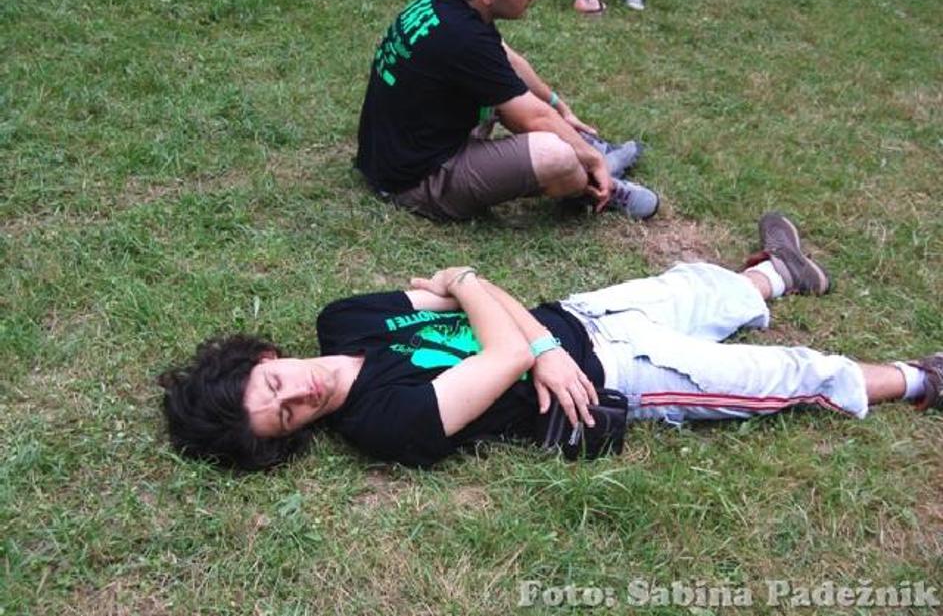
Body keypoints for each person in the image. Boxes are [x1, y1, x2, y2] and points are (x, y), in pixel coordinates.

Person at [159, 213, 942, 471]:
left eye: (274, 387)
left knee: (698, 288)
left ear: (263, 359)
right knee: (781, 374)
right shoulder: (382, 423)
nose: (299, 394)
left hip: (574, 317)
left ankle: (776, 273)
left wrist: (514, 320)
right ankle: (917, 379)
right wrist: (475, 289)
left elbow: (478, 292)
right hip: (617, 370)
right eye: (287, 416)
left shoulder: (343, 318)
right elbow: (491, 338)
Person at [354, 0, 659, 222]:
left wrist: (559, 107)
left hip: (398, 150)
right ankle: (596, 182)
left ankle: (588, 157)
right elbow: (533, 118)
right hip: (417, 179)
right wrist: (591, 159)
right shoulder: (463, 37)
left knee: (505, 85)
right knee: (557, 155)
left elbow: (505, 60)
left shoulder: (450, 3)